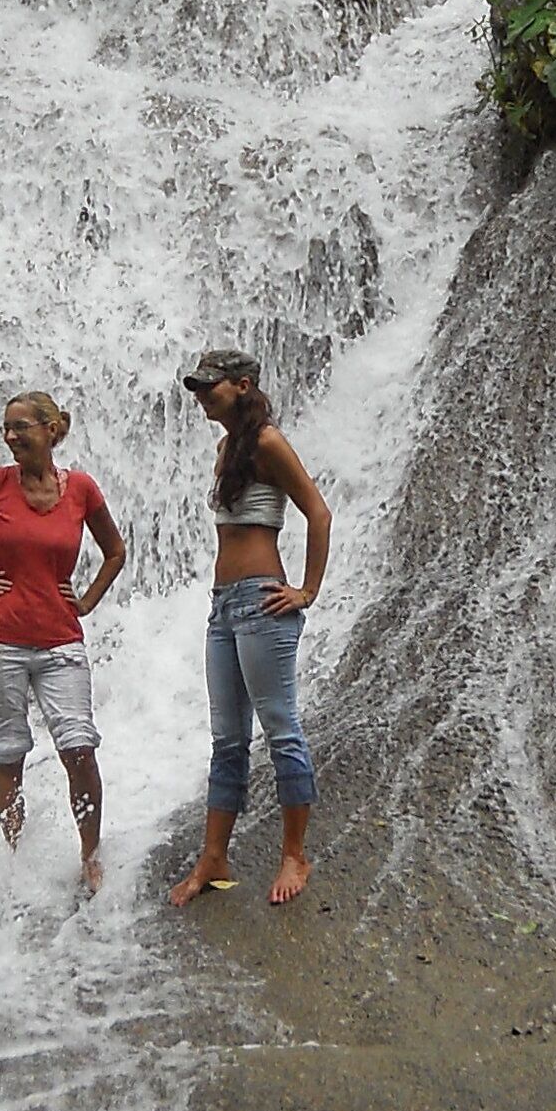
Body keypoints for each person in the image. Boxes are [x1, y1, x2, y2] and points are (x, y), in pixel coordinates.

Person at [0, 393, 126, 890]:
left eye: (20, 428)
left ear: (51, 430)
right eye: (5, 429)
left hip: (60, 641)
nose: (10, 437)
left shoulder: (81, 490)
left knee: (79, 748)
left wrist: (89, 599)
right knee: (7, 751)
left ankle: (90, 855)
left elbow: (115, 551)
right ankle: (15, 854)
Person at [167, 347, 332, 911]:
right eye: (197, 387)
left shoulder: (267, 442)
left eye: (210, 387)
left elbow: (318, 510)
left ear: (242, 385)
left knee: (280, 727)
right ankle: (214, 858)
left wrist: (306, 591)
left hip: (263, 602)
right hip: (223, 606)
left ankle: (295, 855)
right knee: (227, 737)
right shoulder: (227, 448)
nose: (202, 396)